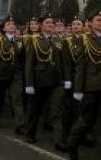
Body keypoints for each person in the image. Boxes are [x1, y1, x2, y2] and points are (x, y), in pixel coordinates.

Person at [66, 10, 101, 160]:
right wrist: (78, 89)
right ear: (89, 23)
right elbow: (80, 66)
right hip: (91, 87)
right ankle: (72, 142)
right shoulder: (84, 39)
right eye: (98, 20)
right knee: (87, 120)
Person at [24, 13, 67, 152]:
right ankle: (30, 134)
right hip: (39, 81)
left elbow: (63, 62)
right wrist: (29, 83)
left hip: (56, 81)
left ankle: (59, 141)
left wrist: (65, 79)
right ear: (42, 25)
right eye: (48, 23)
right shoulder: (34, 40)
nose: (51, 25)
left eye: (52, 23)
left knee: (57, 111)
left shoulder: (58, 40)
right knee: (34, 110)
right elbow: (29, 63)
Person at [0, 16, 24, 129]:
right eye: (8, 24)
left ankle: (20, 125)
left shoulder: (19, 41)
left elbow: (22, 59)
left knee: (17, 99)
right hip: (1, 74)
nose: (11, 26)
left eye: (13, 24)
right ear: (3, 28)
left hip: (16, 75)